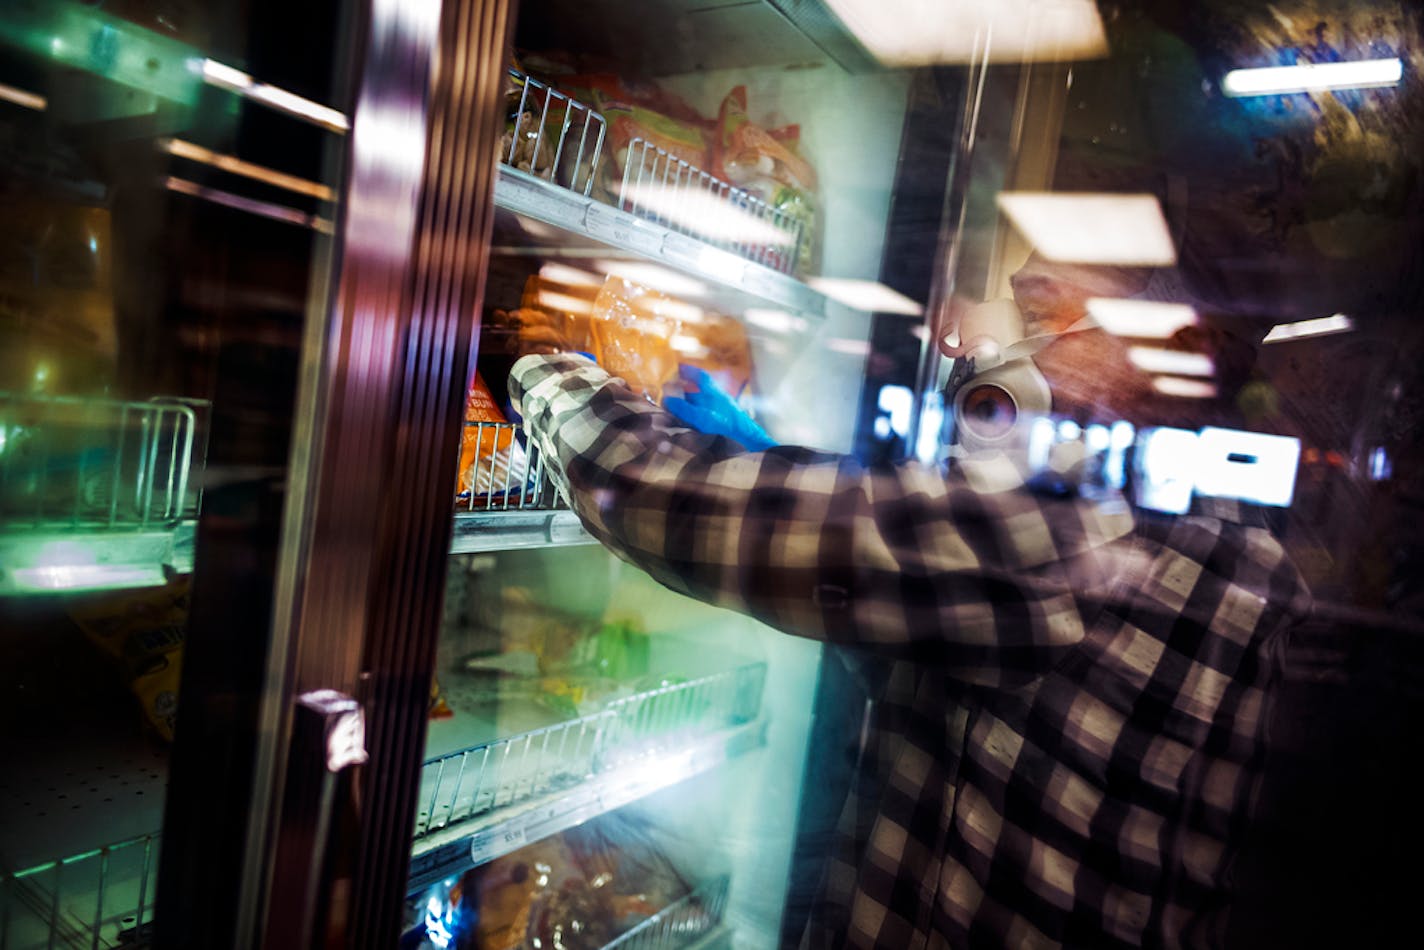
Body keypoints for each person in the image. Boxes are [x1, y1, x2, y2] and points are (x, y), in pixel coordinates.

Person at [503, 251, 1311, 948]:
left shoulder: (1085, 532)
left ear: (1181, 341)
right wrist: (769, 462)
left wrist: (533, 355)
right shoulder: (1231, 534)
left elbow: (657, 497)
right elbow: (949, 652)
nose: (1022, 352)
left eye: (1052, 316)